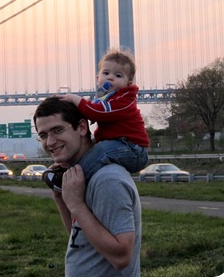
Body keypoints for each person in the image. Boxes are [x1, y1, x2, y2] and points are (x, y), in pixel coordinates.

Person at [33, 96, 142, 276]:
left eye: (58, 130)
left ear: (82, 128)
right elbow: (81, 241)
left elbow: (121, 257)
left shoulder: (107, 180)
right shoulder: (81, 177)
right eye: (43, 135)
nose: (50, 142)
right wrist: (61, 196)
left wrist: (76, 205)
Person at [56, 48, 149, 186]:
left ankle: (73, 181)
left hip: (133, 149)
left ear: (128, 84)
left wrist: (76, 100)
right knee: (85, 145)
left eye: (118, 76)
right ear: (98, 78)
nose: (110, 77)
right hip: (118, 143)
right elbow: (91, 111)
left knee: (100, 151)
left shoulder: (125, 99)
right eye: (106, 73)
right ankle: (68, 167)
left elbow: (97, 113)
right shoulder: (103, 97)